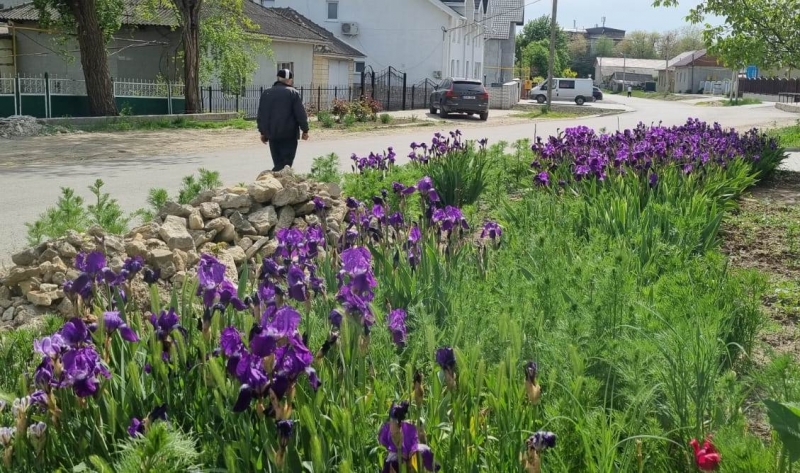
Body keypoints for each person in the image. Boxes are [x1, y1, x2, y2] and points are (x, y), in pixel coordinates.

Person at [257, 69, 309, 172]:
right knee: (286, 164)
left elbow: (261, 114)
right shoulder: (293, 93)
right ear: (290, 80)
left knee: (278, 162)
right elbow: (300, 114)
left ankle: (276, 183)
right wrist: (305, 130)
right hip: (288, 135)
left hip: (272, 135)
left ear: (278, 78)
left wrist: (262, 132)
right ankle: (273, 181)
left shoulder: (266, 93)